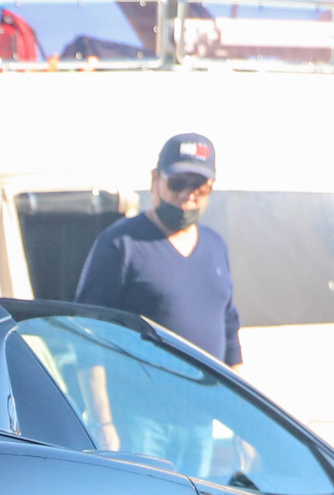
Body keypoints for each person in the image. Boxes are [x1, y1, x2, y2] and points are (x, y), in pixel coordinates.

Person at [73, 133, 242, 369]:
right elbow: (89, 334)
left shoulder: (216, 245)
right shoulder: (120, 245)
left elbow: (229, 326)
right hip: (142, 400)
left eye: (199, 186)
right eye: (177, 183)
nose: (188, 194)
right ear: (155, 180)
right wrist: (100, 405)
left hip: (208, 401)